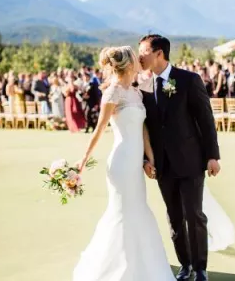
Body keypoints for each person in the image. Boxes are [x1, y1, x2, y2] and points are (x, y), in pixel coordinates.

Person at [73, 46, 176, 281]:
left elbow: (144, 131)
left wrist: (149, 159)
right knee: (120, 213)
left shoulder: (136, 93)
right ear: (129, 64)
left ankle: (142, 269)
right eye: (135, 57)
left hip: (135, 163)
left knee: (138, 210)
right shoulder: (113, 93)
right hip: (120, 163)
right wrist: (83, 159)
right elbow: (99, 130)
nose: (140, 59)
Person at [138, 35, 221, 281]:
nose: (140, 57)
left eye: (143, 52)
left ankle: (201, 267)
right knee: (174, 218)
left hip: (191, 160)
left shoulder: (188, 80)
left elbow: (206, 121)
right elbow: (143, 129)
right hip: (162, 165)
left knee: (194, 214)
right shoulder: (141, 86)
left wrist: (212, 156)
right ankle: (185, 265)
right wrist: (146, 159)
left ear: (159, 53)